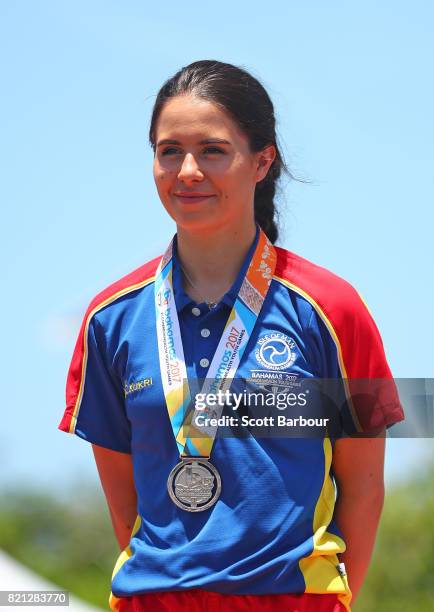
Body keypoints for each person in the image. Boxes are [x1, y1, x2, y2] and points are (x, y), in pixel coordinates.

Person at [58, 60, 404, 612]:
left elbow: (363, 493)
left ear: (262, 161)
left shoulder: (331, 308)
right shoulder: (111, 318)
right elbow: (126, 508)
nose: (187, 170)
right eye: (169, 150)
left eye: (213, 150)